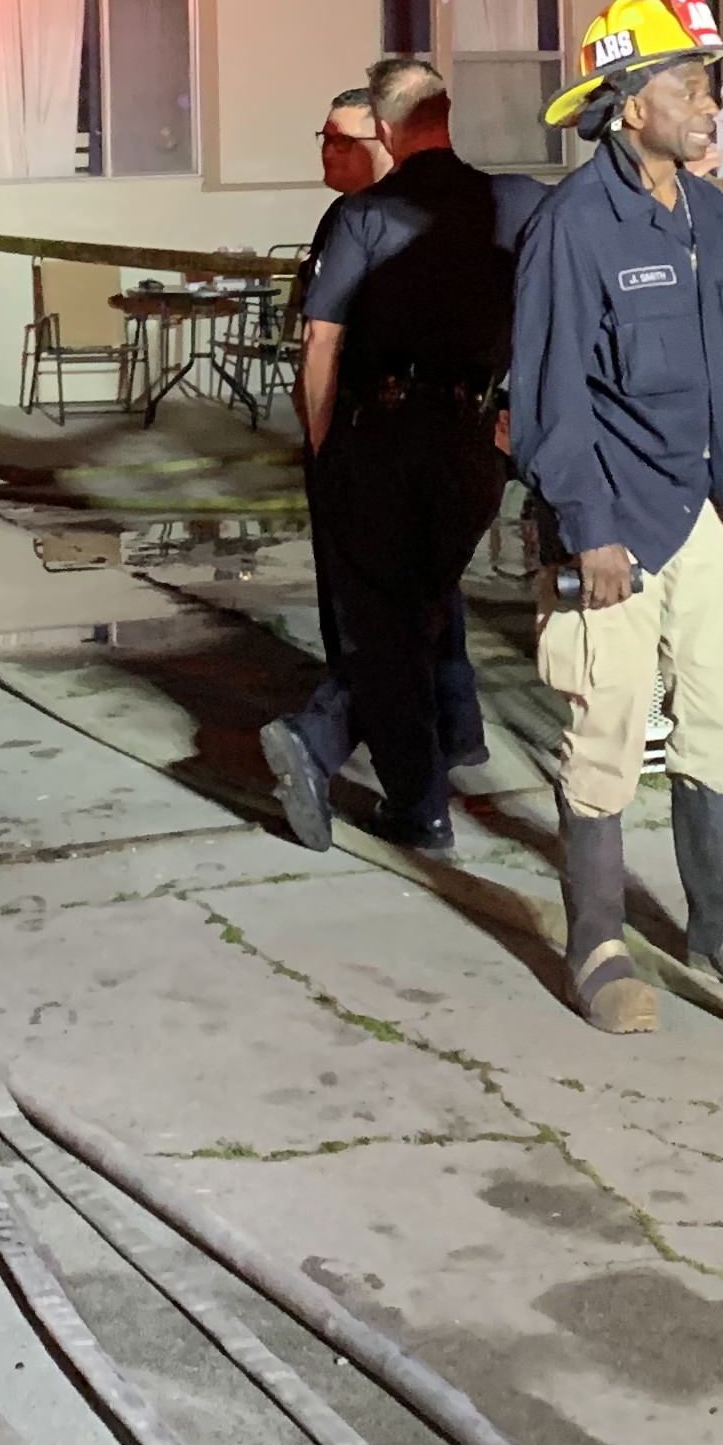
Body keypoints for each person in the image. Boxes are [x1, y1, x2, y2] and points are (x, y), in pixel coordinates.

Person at [510, 0, 723, 1032]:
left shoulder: (712, 216)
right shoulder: (571, 227)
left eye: (708, 82)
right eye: (687, 84)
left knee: (722, 716)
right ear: (631, 106)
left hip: (709, 514)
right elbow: (547, 401)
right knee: (610, 732)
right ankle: (596, 943)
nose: (708, 102)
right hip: (616, 525)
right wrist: (588, 530)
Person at [262, 55, 535, 852]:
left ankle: (385, 783)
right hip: (469, 438)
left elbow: (322, 342)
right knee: (420, 607)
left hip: (382, 437)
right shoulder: (515, 203)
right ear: (447, 113)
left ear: (384, 129)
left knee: (383, 619)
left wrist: (322, 447)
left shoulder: (366, 219)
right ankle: (445, 749)